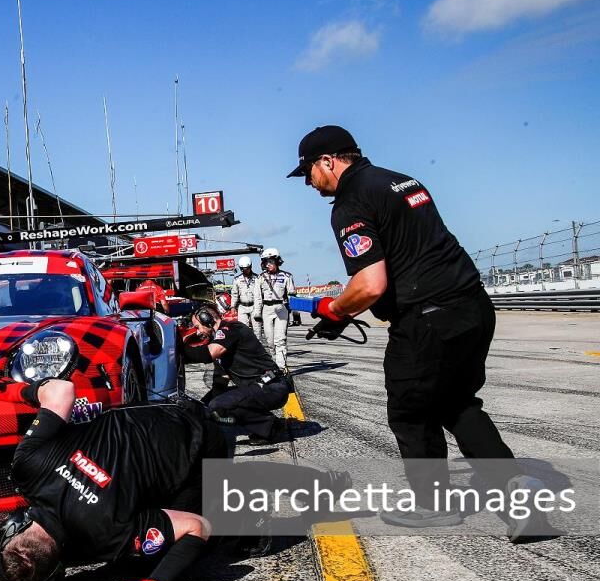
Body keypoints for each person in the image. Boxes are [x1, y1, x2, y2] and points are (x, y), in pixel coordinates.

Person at [287, 125, 552, 540]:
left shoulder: (352, 201)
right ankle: (517, 493)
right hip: (473, 306)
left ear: (328, 161)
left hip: (427, 319)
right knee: (457, 404)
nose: (308, 182)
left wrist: (334, 311)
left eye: (308, 172)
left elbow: (370, 284)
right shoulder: (402, 181)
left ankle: (432, 505)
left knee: (411, 413)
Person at [0, 376, 232, 581]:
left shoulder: (108, 538)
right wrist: (18, 391)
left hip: (202, 442)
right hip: (162, 410)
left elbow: (198, 527)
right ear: (12, 529)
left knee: (151, 561)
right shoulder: (26, 467)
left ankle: (242, 510)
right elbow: (61, 389)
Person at [181, 301, 290, 443]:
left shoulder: (231, 329)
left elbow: (210, 353)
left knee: (218, 406)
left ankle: (271, 427)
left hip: (272, 384)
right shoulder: (219, 342)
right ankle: (266, 423)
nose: (198, 332)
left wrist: (176, 352)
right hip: (257, 387)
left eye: (197, 327)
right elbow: (221, 380)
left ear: (207, 319)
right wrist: (202, 409)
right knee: (211, 408)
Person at [256, 248, 296, 369]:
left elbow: (292, 296)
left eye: (270, 261)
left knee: (280, 340)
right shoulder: (260, 278)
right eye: (266, 262)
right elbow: (258, 297)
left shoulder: (287, 276)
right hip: (266, 309)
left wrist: (295, 313)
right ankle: (274, 364)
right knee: (270, 341)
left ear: (277, 261)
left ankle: (281, 368)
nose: (268, 264)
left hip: (281, 308)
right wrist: (257, 313)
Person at [230, 256, 262, 339]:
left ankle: (258, 345)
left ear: (250, 267)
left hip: (254, 306)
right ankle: (246, 345)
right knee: (243, 329)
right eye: (243, 269)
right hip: (242, 306)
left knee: (257, 329)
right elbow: (234, 294)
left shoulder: (257, 278)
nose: (245, 270)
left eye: (247, 268)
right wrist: (233, 306)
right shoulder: (237, 279)